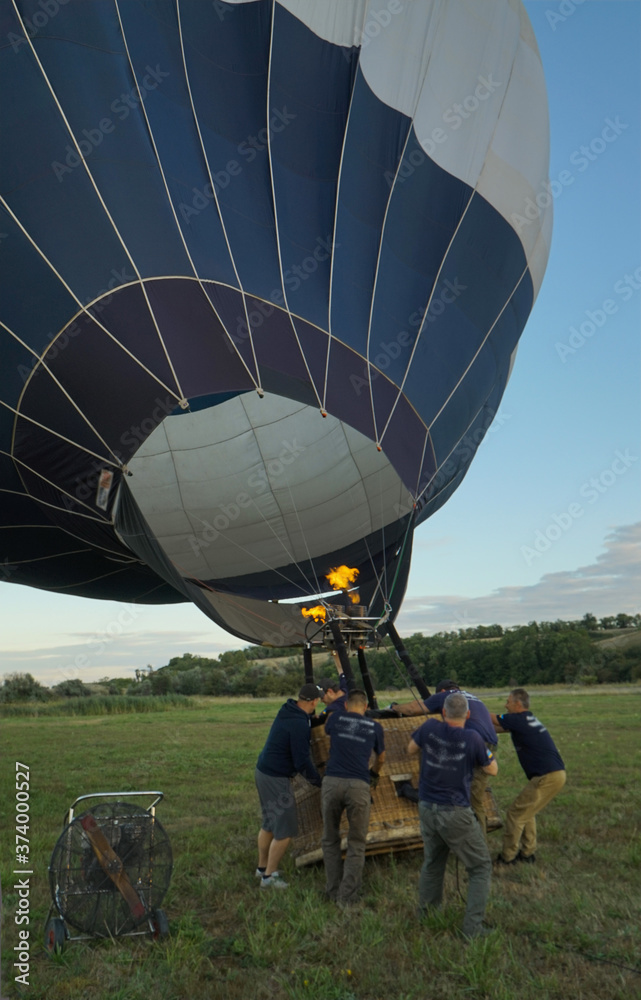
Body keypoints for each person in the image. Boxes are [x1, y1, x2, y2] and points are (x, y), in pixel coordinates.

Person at [408, 691, 498, 939]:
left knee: (433, 862)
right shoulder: (472, 738)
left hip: (427, 807)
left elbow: (411, 749)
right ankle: (473, 929)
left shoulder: (429, 727)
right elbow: (492, 769)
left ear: (443, 712)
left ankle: (427, 914)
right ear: (467, 715)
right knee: (480, 866)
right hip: (455, 811)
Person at [396, 680, 498, 835]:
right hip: (488, 746)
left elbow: (412, 709)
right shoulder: (471, 697)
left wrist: (394, 707)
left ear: (442, 692)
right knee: (474, 799)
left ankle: (475, 842)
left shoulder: (447, 695)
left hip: (474, 745)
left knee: (470, 801)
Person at [255, 682, 323, 889]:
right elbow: (301, 761)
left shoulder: (288, 710)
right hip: (276, 777)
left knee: (269, 822)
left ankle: (261, 868)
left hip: (263, 771)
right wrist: (319, 782)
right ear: (314, 702)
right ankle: (269, 877)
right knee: (285, 830)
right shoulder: (299, 724)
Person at [321, 689, 385, 907]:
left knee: (330, 838)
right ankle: (347, 897)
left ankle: (332, 890)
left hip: (331, 782)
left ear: (347, 705)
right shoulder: (375, 727)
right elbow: (381, 757)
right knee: (356, 841)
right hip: (358, 785)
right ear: (366, 707)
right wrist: (373, 773)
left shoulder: (336, 718)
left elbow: (327, 728)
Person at [490, 688, 566, 865]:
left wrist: (468, 709)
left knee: (515, 814)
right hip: (555, 774)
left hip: (546, 776)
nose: (505, 705)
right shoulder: (527, 719)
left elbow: (489, 718)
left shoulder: (518, 718)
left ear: (518, 704)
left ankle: (507, 858)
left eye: (508, 702)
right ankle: (527, 853)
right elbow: (496, 728)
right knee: (527, 812)